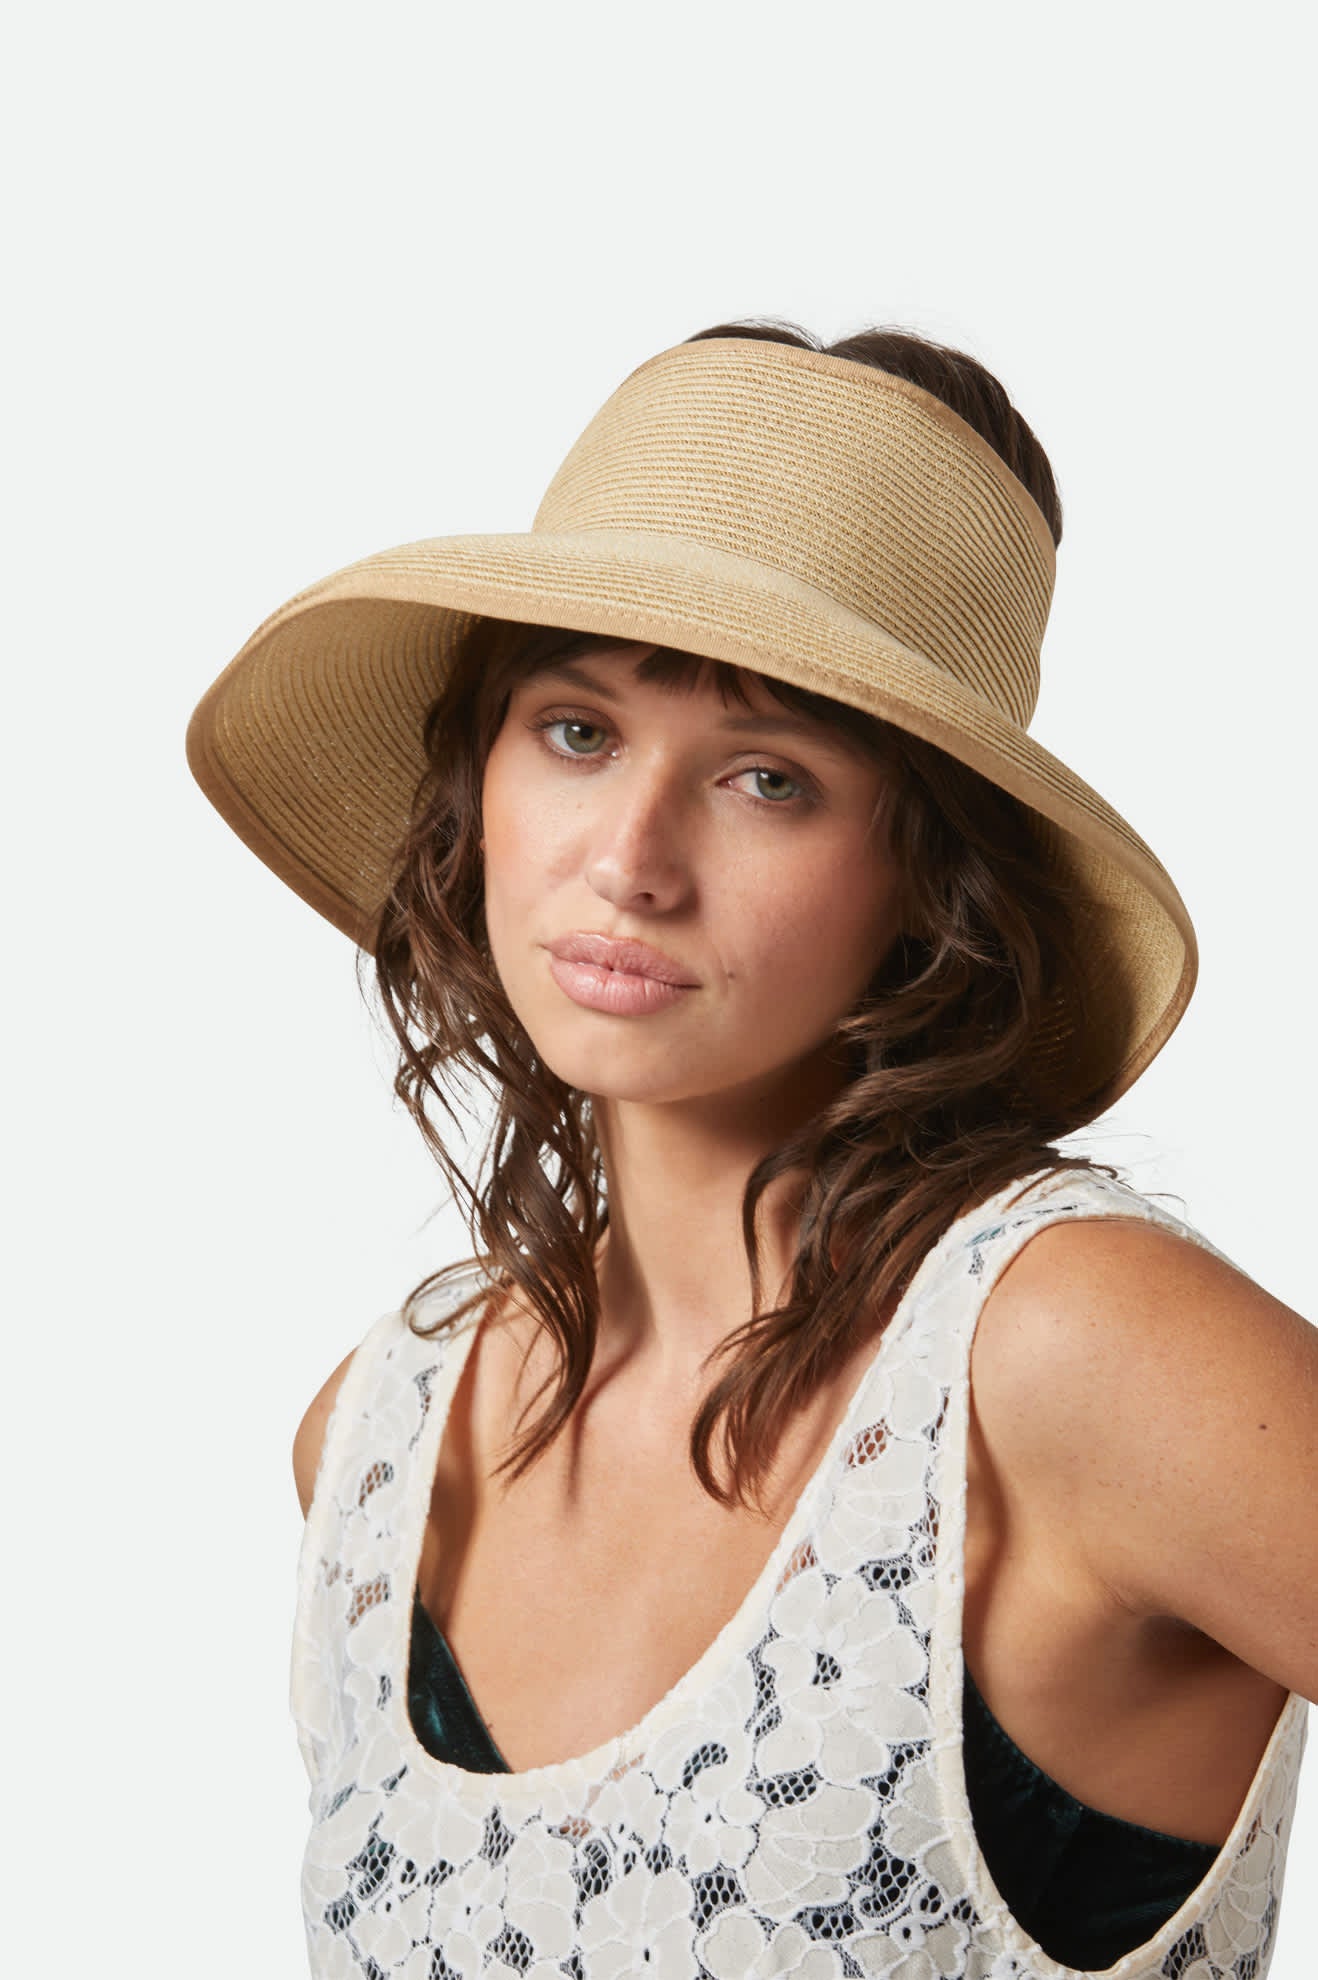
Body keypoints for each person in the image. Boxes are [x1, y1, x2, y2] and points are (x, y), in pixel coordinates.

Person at [187, 320, 1316, 1979]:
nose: (631, 861)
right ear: (475, 780)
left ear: (927, 877)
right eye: (577, 732)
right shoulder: (378, 1439)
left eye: (768, 778)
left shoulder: (1069, 1356)